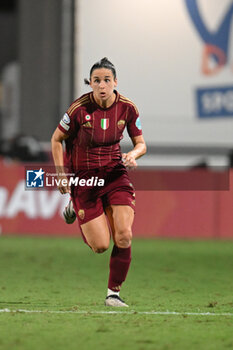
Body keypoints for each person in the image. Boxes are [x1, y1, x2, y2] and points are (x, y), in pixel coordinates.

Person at [51, 57, 146, 307]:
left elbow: (141, 144)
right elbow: (56, 139)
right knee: (101, 246)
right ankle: (75, 207)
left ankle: (112, 295)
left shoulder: (127, 108)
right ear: (90, 84)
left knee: (124, 235)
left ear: (115, 82)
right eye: (96, 81)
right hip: (85, 178)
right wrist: (62, 174)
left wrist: (132, 155)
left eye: (106, 80)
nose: (102, 85)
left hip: (115, 175)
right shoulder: (78, 109)